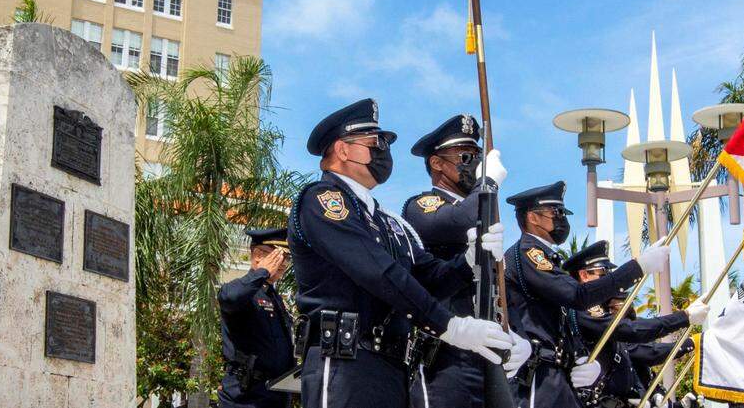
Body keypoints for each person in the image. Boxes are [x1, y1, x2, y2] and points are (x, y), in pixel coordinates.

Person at [288, 99, 527, 408]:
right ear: (343, 150)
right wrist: (450, 326)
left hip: (393, 366)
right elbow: (378, 271)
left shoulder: (388, 222)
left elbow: (427, 277)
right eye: (375, 142)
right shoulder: (323, 200)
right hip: (345, 363)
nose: (384, 150)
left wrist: (470, 260)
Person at [504, 182, 672, 408]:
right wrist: (637, 267)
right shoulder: (529, 253)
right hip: (537, 374)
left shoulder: (548, 259)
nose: (562, 219)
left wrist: (580, 358)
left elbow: (563, 320)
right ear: (533, 218)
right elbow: (578, 296)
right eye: (556, 212)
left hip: (556, 374)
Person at [402, 114, 526, 408]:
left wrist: (520, 337)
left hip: (490, 355)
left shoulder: (481, 207)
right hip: (446, 358)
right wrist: (489, 184)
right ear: (437, 163)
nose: (475, 165)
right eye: (466, 156)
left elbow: (499, 287)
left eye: (478, 157)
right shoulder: (422, 205)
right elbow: (460, 219)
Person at [561, 241, 708, 408]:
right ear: (584, 275)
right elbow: (634, 332)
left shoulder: (598, 313)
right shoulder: (584, 310)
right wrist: (684, 318)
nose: (608, 281)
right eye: (603, 274)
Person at [217, 228, 296, 408]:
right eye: (279, 256)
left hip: (275, 395)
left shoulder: (274, 298)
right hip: (245, 398)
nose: (284, 263)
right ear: (259, 255)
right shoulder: (242, 291)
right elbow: (229, 298)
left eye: (287, 258)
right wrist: (261, 272)